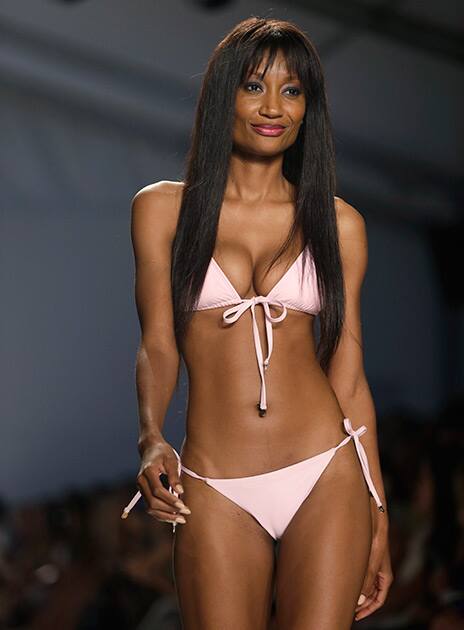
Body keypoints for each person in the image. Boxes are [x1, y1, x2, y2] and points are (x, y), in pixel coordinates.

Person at [124, 16, 393, 629]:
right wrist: (150, 435)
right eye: (254, 87)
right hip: (215, 481)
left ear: (308, 109)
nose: (274, 107)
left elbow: (349, 376)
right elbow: (158, 344)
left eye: (292, 91)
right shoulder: (162, 209)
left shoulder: (338, 222)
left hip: (326, 470)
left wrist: (380, 513)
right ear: (225, 96)